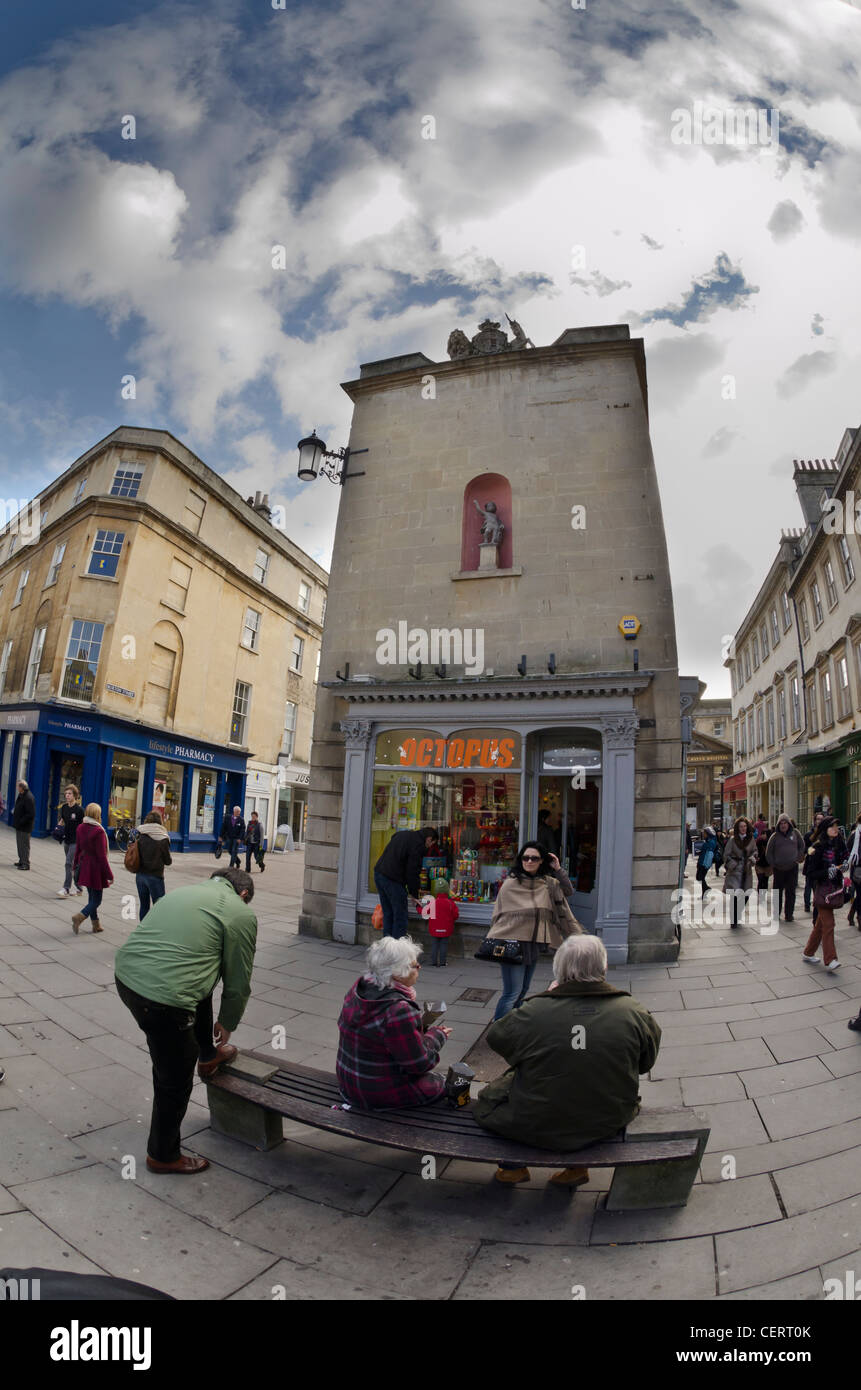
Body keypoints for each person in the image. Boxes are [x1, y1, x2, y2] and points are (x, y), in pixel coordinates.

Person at [473, 935, 662, 1186]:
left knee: (495, 1096)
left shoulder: (534, 1011)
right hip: (609, 1118)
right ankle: (576, 1169)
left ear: (558, 971)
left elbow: (497, 1037)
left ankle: (513, 1168)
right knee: (585, 1083)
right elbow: (645, 1064)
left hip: (537, 1120)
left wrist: (547, 998)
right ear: (604, 968)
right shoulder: (634, 1011)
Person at [114, 868, 257, 1174]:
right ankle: (162, 1155)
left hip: (127, 977)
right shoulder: (239, 913)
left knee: (201, 976)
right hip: (163, 999)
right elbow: (238, 979)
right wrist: (228, 1022)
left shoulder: (182, 892)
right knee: (175, 1074)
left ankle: (208, 1054)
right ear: (243, 895)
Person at [336, 936, 452, 1108]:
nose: (419, 967)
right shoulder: (398, 1009)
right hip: (376, 1093)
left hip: (349, 1083)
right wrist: (437, 1036)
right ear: (397, 973)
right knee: (446, 1084)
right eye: (414, 965)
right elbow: (419, 1064)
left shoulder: (358, 989)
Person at [487, 841, 581, 1021]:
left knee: (523, 990)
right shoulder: (511, 884)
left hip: (533, 943)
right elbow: (499, 915)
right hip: (511, 943)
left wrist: (558, 869)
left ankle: (513, 1024)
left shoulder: (548, 883)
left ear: (541, 861)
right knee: (511, 993)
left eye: (534, 858)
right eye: (525, 857)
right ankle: (498, 1028)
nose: (529, 861)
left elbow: (568, 891)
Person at [373, 826, 438, 939]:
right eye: (432, 843)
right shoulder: (418, 846)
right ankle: (398, 950)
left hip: (379, 873)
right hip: (393, 879)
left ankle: (387, 947)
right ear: (429, 839)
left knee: (388, 913)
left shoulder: (403, 834)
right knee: (400, 916)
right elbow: (412, 872)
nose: (431, 846)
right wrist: (414, 894)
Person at [802, 816, 847, 971]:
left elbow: (843, 860)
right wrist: (828, 872)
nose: (835, 829)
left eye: (836, 826)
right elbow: (810, 872)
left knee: (821, 925)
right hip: (822, 890)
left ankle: (808, 952)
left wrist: (843, 866)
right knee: (829, 924)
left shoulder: (839, 844)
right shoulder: (817, 847)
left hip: (834, 889)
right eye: (832, 826)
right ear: (825, 829)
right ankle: (830, 959)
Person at [72, 803, 113, 934]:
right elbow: (102, 856)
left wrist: (74, 866)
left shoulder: (80, 827)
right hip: (95, 869)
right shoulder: (99, 831)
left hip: (84, 865)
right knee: (97, 900)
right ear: (97, 815)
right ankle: (79, 917)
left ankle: (96, 925)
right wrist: (109, 875)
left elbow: (78, 849)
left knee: (92, 897)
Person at [765, 815, 806, 923]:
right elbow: (768, 852)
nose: (783, 825)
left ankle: (789, 914)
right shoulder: (774, 836)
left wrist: (798, 857)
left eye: (785, 823)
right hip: (779, 869)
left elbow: (802, 846)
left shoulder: (795, 833)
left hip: (792, 868)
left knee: (791, 892)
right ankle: (776, 914)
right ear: (778, 825)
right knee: (777, 892)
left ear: (789, 824)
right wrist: (773, 863)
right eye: (781, 823)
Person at [135, 810, 172, 919]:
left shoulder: (140, 834)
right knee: (159, 907)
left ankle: (142, 931)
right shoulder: (163, 838)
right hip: (155, 876)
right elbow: (168, 861)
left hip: (140, 875)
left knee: (144, 906)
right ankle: (156, 931)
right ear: (160, 822)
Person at [723, 817, 757, 928]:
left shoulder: (751, 839)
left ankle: (738, 914)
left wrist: (752, 858)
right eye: (741, 826)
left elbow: (755, 851)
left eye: (745, 826)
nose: (743, 828)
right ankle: (734, 920)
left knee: (746, 895)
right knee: (735, 896)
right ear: (738, 828)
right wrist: (732, 864)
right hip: (735, 871)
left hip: (746, 871)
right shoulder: (733, 840)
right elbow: (726, 855)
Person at [57, 784, 85, 898]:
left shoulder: (79, 810)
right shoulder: (64, 807)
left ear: (75, 795)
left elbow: (84, 825)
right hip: (67, 840)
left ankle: (66, 888)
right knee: (74, 865)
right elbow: (62, 820)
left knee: (68, 863)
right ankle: (79, 888)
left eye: (69, 794)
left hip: (76, 841)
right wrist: (58, 828)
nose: (67, 796)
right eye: (66, 794)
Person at [423, 882, 459, 967]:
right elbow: (456, 915)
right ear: (447, 890)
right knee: (444, 945)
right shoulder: (450, 903)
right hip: (446, 928)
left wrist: (418, 907)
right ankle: (442, 962)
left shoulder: (432, 902)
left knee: (434, 945)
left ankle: (433, 961)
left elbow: (426, 913)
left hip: (434, 928)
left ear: (436, 891)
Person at [802, 812, 825, 913]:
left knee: (817, 886)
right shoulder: (808, 834)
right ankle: (807, 905)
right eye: (818, 819)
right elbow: (804, 848)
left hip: (821, 865)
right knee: (808, 885)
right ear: (814, 821)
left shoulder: (825, 834)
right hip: (810, 864)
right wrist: (811, 850)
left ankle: (817, 903)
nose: (819, 821)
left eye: (821, 819)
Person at [12, 780, 36, 870]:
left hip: (25, 826)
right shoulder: (21, 795)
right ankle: (21, 860)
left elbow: (31, 814)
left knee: (24, 845)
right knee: (20, 844)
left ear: (21, 787)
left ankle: (25, 864)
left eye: (17, 786)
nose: (16, 787)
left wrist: (21, 821)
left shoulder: (28, 797)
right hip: (19, 825)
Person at [846, 813, 861, 928]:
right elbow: (847, 850)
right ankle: (859, 918)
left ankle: (851, 914)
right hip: (857, 869)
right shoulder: (854, 834)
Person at [695, 826, 718, 899]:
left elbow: (709, 855)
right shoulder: (708, 841)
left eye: (704, 833)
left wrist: (705, 865)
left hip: (704, 863)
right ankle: (705, 891)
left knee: (700, 877)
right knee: (700, 878)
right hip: (702, 862)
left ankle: (705, 890)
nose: (703, 834)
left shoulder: (710, 842)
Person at [754, 827, 773, 894]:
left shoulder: (770, 843)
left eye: (764, 834)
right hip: (759, 864)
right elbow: (755, 851)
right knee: (760, 879)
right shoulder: (758, 841)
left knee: (765, 880)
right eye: (762, 834)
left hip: (767, 864)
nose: (762, 835)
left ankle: (763, 894)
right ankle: (760, 893)